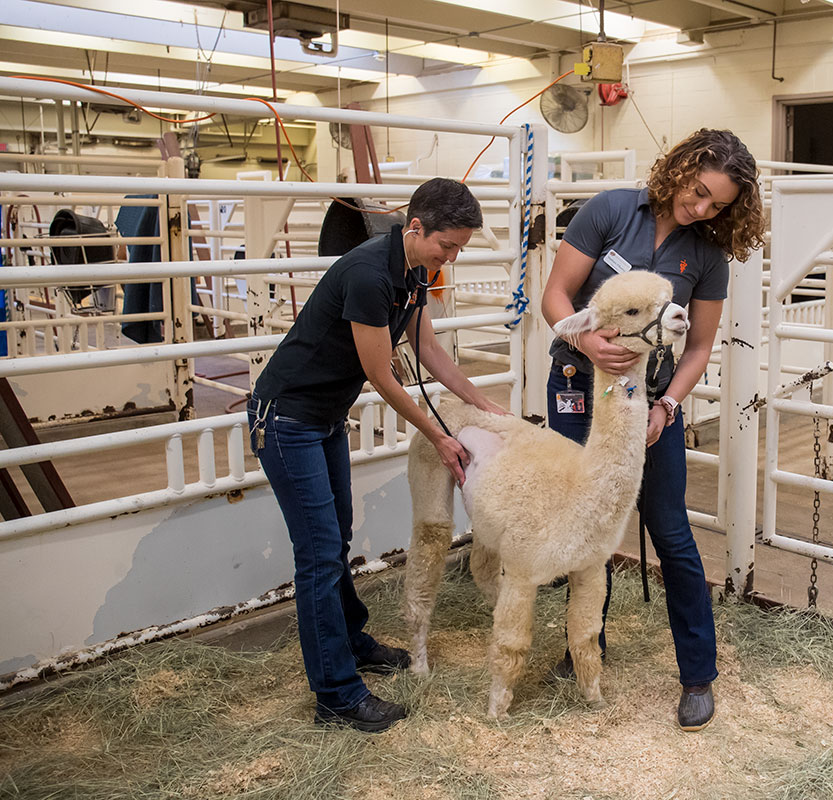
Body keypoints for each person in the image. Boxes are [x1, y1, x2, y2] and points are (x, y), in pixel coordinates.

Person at [249, 178, 507, 733]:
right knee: (318, 555)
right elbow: (379, 372)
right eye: (448, 246)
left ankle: (352, 641)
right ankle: (337, 696)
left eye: (460, 248)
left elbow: (430, 349)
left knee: (334, 537)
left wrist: (485, 405)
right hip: (288, 419)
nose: (452, 257)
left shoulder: (415, 271)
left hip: (322, 418)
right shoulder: (369, 274)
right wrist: (439, 436)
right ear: (416, 228)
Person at [540, 129, 766, 731]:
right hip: (578, 390)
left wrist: (666, 407)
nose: (702, 210)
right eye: (698, 193)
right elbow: (557, 295)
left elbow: (698, 347)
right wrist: (583, 339)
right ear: (681, 169)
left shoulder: (708, 255)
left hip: (650, 404)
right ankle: (583, 645)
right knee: (585, 522)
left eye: (718, 205)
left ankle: (698, 674)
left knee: (671, 531)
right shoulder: (611, 211)